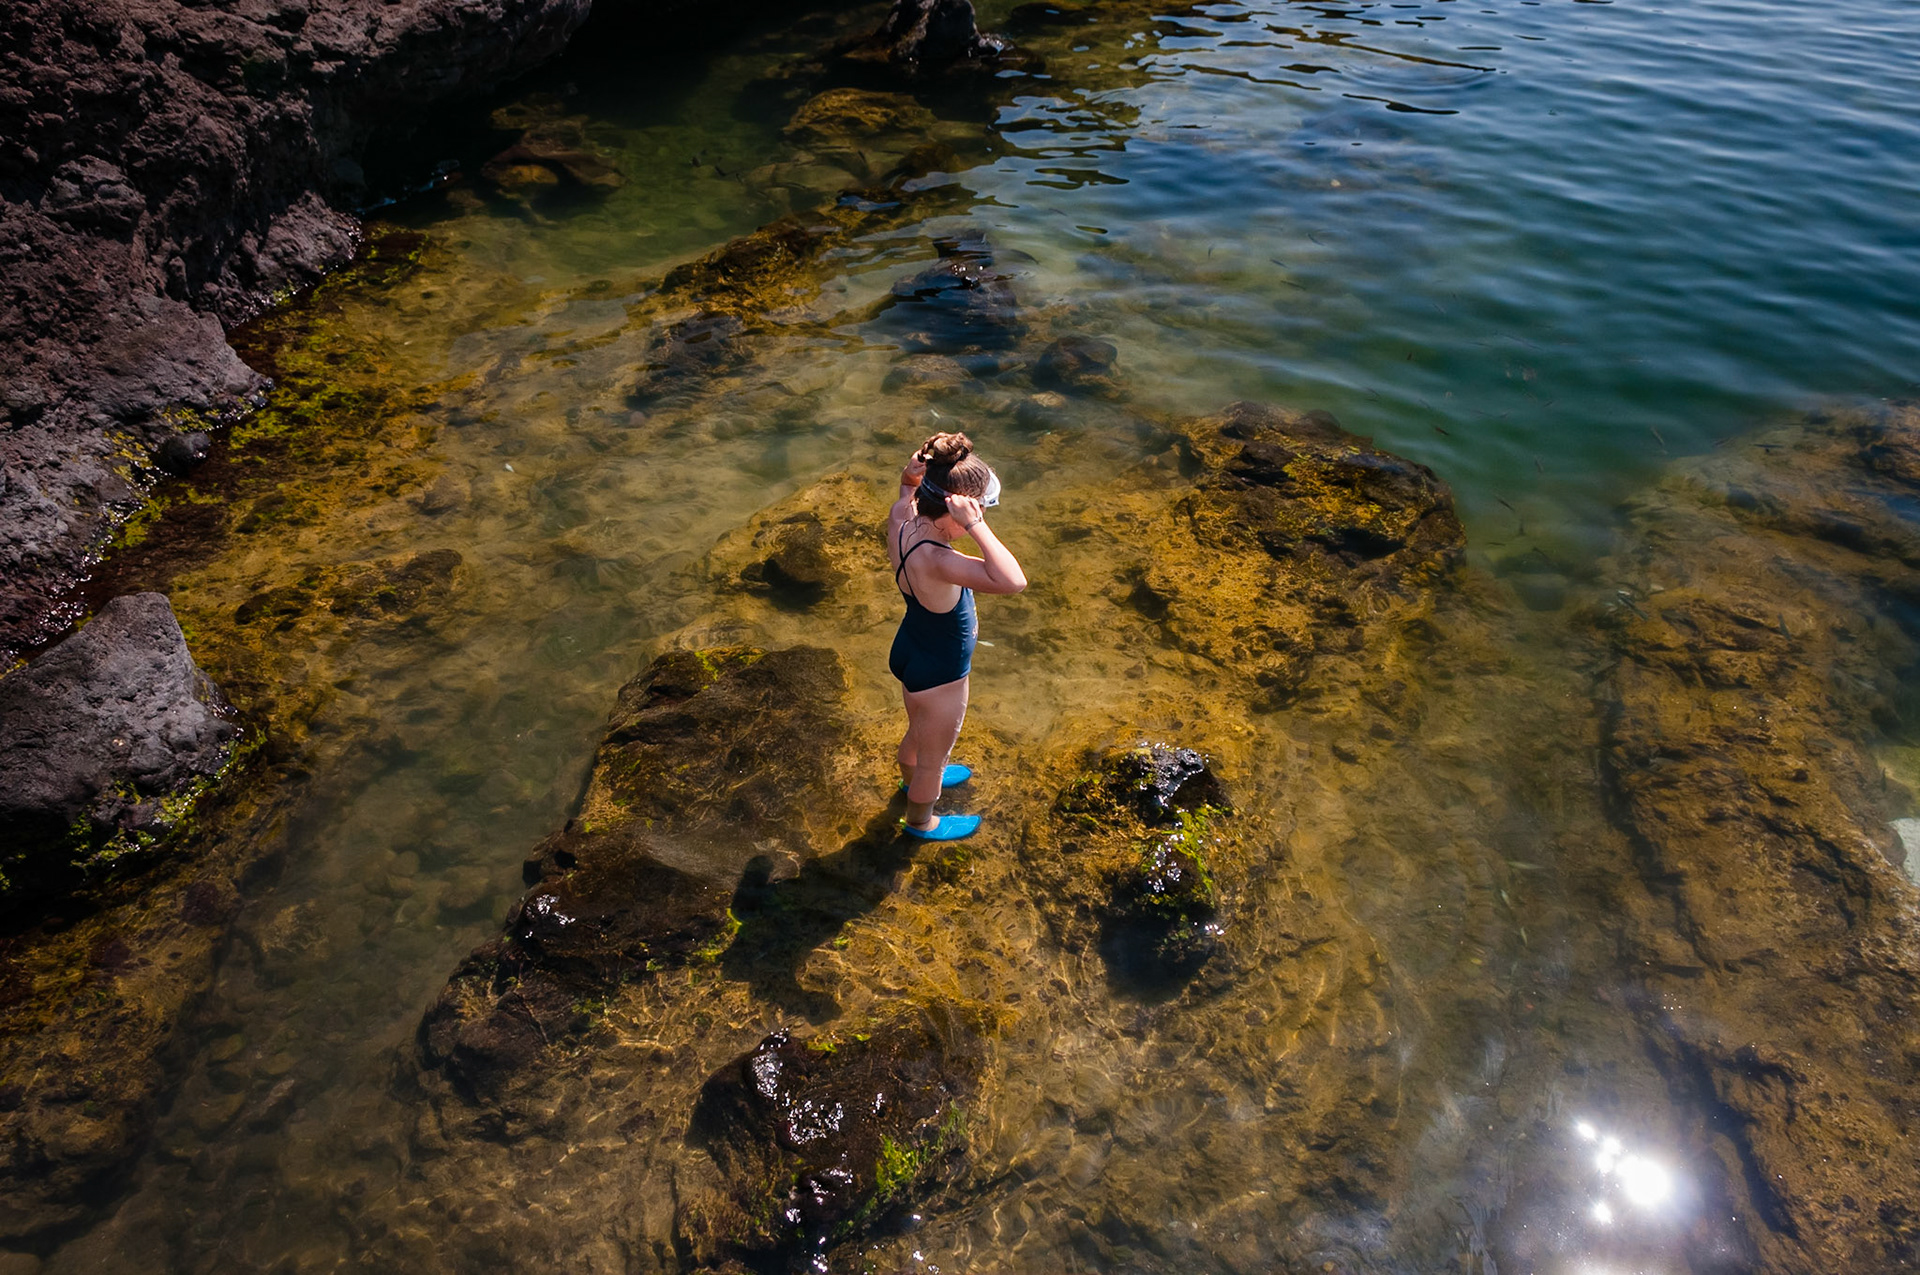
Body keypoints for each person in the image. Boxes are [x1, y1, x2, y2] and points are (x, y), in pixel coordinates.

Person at [888, 431, 1027, 839]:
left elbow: (906, 490)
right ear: (957, 510)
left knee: (919, 729)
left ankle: (910, 781)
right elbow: (1013, 580)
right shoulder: (942, 561)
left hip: (911, 647)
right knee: (934, 759)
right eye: (982, 507)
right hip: (940, 672)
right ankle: (920, 821)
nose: (983, 513)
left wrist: (911, 476)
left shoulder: (902, 520)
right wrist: (978, 527)